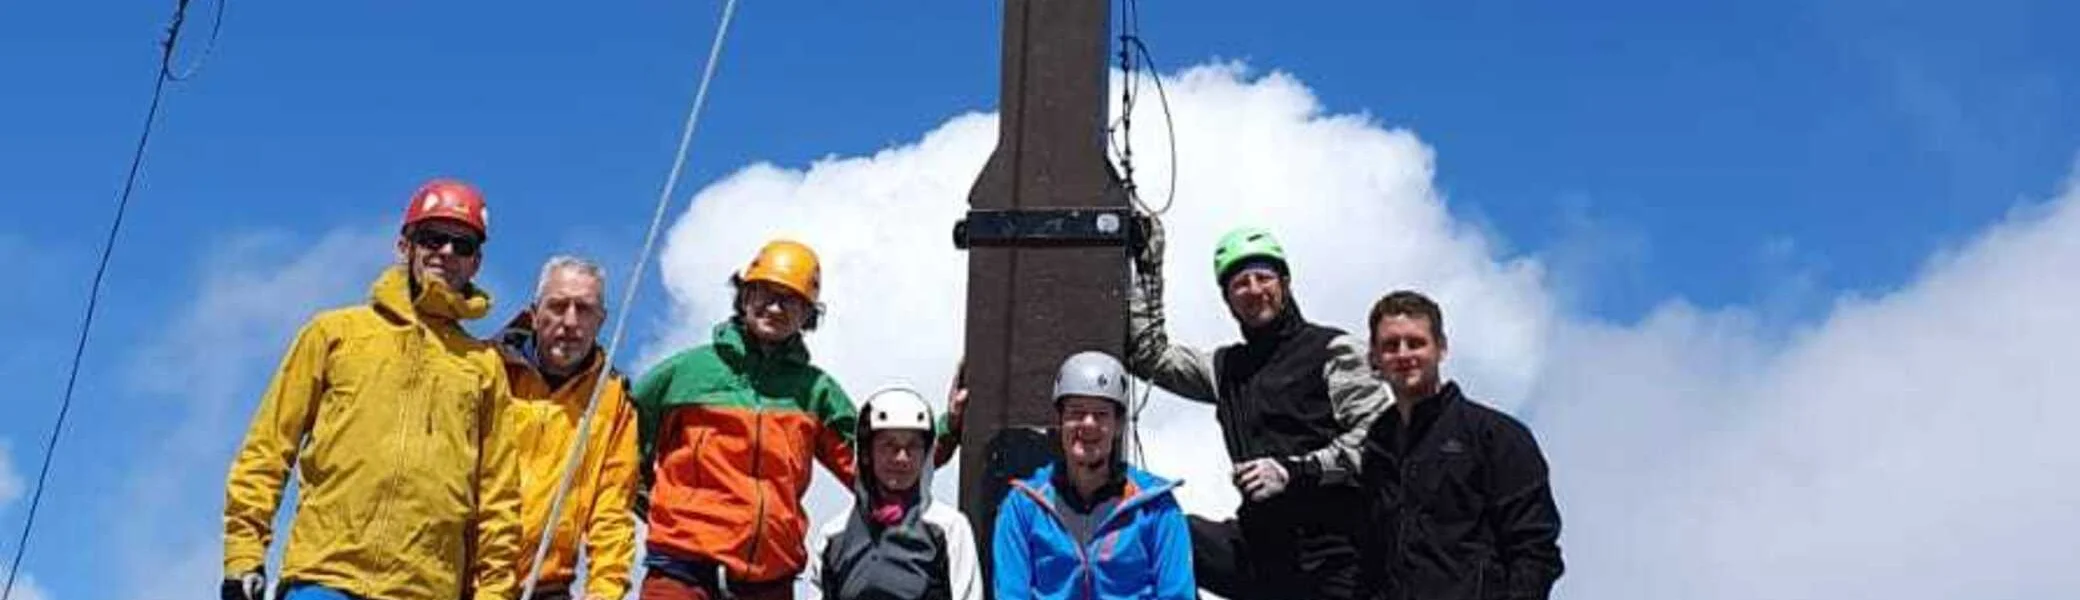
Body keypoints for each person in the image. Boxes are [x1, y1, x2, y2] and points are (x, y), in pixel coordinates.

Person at [221, 178, 521, 600]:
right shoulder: (334, 333)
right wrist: (242, 556)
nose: (447, 252)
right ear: (406, 246)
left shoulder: (483, 367)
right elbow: (267, 450)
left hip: (425, 589)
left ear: (476, 263)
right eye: (434, 238)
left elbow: (498, 498)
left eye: (463, 245)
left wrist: (492, 595)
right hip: (325, 578)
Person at [631, 239, 961, 600]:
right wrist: (665, 511)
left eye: (790, 300)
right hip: (682, 576)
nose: (775, 307)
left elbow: (880, 463)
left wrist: (951, 426)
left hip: (770, 583)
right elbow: (618, 447)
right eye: (764, 294)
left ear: (808, 316)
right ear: (743, 296)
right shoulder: (684, 373)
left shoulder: (815, 392)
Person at [1124, 223, 1395, 599]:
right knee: (1161, 531)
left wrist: (1294, 470)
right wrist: (1150, 262)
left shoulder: (1335, 350)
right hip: (1261, 552)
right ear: (1228, 299)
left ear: (1284, 282)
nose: (1253, 290)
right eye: (1240, 283)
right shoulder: (1224, 369)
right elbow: (1149, 354)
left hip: (1338, 558)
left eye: (1263, 277)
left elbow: (1378, 442)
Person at [1357, 291, 1562, 600]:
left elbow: (1535, 549)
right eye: (1390, 345)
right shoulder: (1377, 445)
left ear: (1441, 348)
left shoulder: (1495, 436)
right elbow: (1369, 552)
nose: (1403, 355)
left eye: (1416, 342)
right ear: (1374, 356)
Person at [991, 351, 1195, 600]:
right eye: (1076, 412)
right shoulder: (1023, 507)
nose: (1088, 424)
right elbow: (1011, 594)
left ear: (1118, 425)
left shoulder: (1156, 507)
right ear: (1060, 420)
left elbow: (1176, 594)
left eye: (1101, 414)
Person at [494, 256, 640, 600]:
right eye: (558, 306)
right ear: (534, 313)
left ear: (601, 320)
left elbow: (613, 509)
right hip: (467, 579)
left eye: (584, 309)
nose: (570, 321)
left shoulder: (613, 399)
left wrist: (604, 592)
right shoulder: (488, 372)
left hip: (548, 585)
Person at [804, 386, 982, 600]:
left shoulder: (950, 528)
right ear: (867, 453)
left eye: (913, 446)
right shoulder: (832, 536)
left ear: (925, 456)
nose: (901, 458)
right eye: (889, 445)